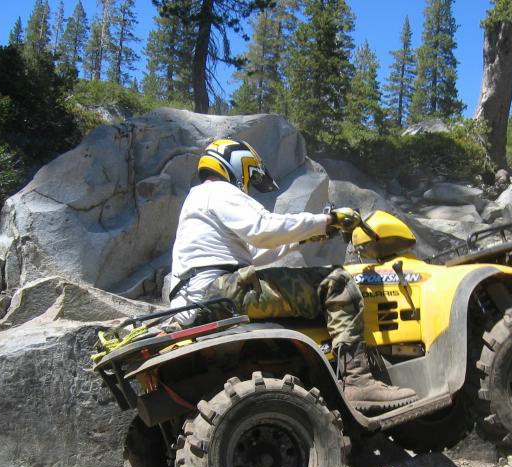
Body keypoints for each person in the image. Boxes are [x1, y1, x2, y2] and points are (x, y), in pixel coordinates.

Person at [169, 138, 416, 414]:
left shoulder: (197, 201)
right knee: (338, 282)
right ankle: (358, 380)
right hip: (222, 290)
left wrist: (313, 233)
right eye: (250, 177)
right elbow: (263, 229)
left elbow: (258, 251)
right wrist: (327, 220)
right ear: (239, 164)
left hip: (199, 298)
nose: (248, 186)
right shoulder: (219, 190)